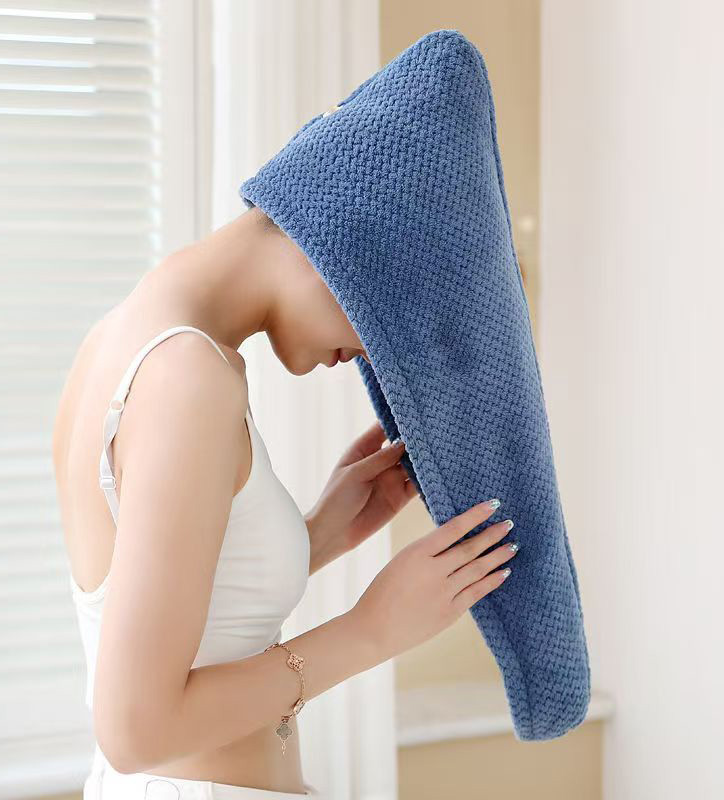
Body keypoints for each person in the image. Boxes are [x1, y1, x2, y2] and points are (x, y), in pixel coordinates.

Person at [52, 205, 519, 799]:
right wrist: (372, 630)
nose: (374, 355)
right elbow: (136, 731)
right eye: (389, 324)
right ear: (340, 248)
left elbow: (178, 607)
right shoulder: (186, 375)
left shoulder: (126, 339)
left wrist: (318, 535)